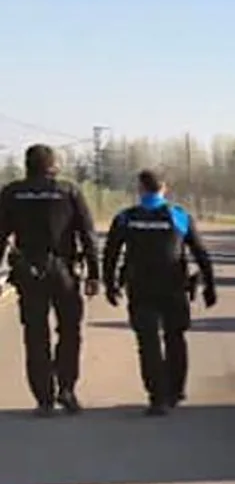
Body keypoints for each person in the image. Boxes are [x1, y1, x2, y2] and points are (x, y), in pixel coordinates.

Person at [103, 169, 217, 416]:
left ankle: (158, 397)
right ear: (164, 188)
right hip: (173, 287)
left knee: (148, 342)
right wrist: (210, 285)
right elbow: (200, 252)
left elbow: (111, 254)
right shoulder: (178, 216)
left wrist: (109, 284)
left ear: (140, 189)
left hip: (141, 288)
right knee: (175, 338)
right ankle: (175, 389)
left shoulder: (126, 217)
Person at [0, 144, 101, 416]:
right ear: (52, 166)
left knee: (35, 335)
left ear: (27, 165)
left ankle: (44, 398)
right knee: (69, 331)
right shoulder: (68, 191)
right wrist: (94, 273)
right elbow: (88, 234)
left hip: (28, 270)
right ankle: (66, 388)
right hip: (64, 270)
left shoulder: (12, 193)